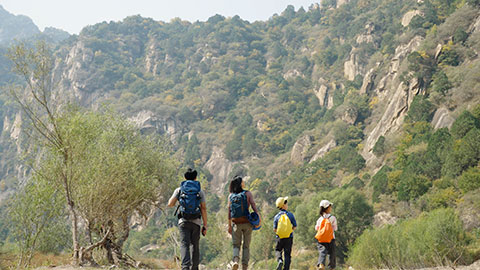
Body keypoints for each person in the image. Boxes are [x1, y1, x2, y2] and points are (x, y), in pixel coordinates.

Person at [167, 169, 207, 270]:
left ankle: (185, 267)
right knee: (195, 245)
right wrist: (205, 225)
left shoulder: (180, 190)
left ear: (185, 178)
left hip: (183, 221)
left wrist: (181, 202)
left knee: (184, 244)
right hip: (196, 222)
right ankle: (195, 267)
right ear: (195, 178)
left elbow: (170, 204)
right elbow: (203, 208)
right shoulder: (199, 191)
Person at [228, 176, 261, 270]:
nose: (244, 182)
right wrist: (258, 216)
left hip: (236, 223)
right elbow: (253, 205)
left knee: (236, 245)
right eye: (242, 181)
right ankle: (244, 267)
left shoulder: (230, 196)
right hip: (247, 222)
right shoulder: (247, 193)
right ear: (240, 183)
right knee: (246, 246)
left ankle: (235, 261)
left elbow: (229, 211)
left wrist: (229, 225)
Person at [273, 196, 297, 270]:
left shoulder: (276, 217)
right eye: (286, 203)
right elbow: (295, 226)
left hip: (280, 237)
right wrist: (290, 230)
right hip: (289, 237)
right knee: (287, 254)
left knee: (278, 250)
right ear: (283, 205)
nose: (287, 205)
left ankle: (280, 260)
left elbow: (274, 229)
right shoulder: (290, 215)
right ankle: (286, 268)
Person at [315, 200, 337, 270]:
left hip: (321, 239)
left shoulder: (320, 219)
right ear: (328, 208)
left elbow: (317, 228)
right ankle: (331, 267)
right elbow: (335, 228)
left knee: (322, 251)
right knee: (332, 253)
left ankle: (321, 264)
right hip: (331, 238)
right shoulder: (332, 218)